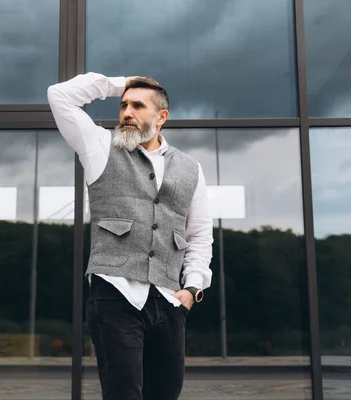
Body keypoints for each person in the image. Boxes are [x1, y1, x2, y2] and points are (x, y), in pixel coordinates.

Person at [47, 72, 213, 400]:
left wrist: (193, 288)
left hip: (169, 301)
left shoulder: (191, 168)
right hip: (115, 295)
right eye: (123, 105)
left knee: (165, 394)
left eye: (137, 105)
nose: (126, 112)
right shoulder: (99, 147)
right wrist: (118, 82)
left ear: (161, 117)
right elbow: (59, 95)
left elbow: (199, 234)